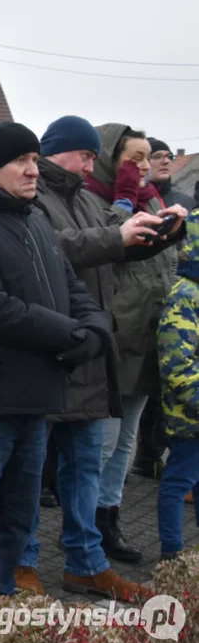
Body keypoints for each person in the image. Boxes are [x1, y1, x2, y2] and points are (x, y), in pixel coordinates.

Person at [0, 122, 111, 620]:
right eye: (22, 161)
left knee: (17, 517)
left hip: (36, 397)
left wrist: (94, 330)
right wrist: (73, 336)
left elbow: (73, 288)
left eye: (36, 159)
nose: (34, 170)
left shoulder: (33, 220)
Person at [16, 115, 172, 601]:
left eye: (92, 156)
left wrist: (159, 233)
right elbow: (54, 249)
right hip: (48, 350)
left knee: (87, 465)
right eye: (84, 155)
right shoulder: (32, 198)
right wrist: (118, 237)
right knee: (29, 467)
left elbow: (115, 243)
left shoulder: (85, 198)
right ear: (57, 151)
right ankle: (22, 561)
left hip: (90, 350)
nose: (90, 164)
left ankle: (86, 560)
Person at [84, 124, 185, 564]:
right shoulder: (94, 199)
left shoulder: (153, 199)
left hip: (146, 337)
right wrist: (123, 201)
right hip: (115, 339)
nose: (143, 166)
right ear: (110, 159)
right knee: (101, 445)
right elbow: (111, 246)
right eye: (134, 157)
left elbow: (164, 265)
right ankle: (84, 527)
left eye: (147, 157)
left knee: (125, 443)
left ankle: (109, 517)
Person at [135, 136, 195, 480]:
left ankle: (154, 451)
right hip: (148, 307)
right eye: (155, 155)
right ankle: (147, 454)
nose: (163, 161)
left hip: (175, 301)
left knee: (161, 394)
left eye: (166, 156)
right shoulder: (133, 200)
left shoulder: (181, 200)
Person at [156, 211, 199, 562]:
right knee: (178, 481)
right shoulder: (186, 295)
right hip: (190, 412)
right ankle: (172, 555)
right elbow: (177, 363)